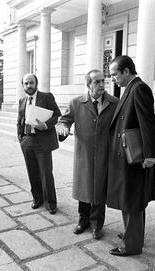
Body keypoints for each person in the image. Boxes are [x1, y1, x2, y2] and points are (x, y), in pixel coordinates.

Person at [107, 55, 155, 256]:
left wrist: (150, 155)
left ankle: (132, 245)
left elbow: (149, 123)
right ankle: (132, 234)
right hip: (127, 156)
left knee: (133, 201)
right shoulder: (130, 88)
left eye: (115, 75)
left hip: (135, 157)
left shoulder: (139, 88)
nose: (113, 79)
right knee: (129, 199)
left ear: (127, 71)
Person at [57, 69, 118, 240]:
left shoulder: (114, 102)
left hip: (105, 155)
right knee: (84, 189)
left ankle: (97, 225)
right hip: (84, 154)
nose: (101, 85)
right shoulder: (76, 103)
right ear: (88, 84)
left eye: (103, 81)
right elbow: (64, 120)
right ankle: (83, 221)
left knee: (99, 191)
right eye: (97, 82)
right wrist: (63, 128)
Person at [17, 73, 61, 214]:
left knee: (46, 174)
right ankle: (37, 199)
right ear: (23, 85)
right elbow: (20, 120)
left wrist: (46, 125)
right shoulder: (22, 101)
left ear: (36, 83)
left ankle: (51, 203)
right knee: (32, 172)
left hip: (43, 141)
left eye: (31, 83)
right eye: (26, 83)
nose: (29, 86)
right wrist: (21, 138)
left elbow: (56, 115)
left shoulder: (46, 97)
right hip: (27, 141)